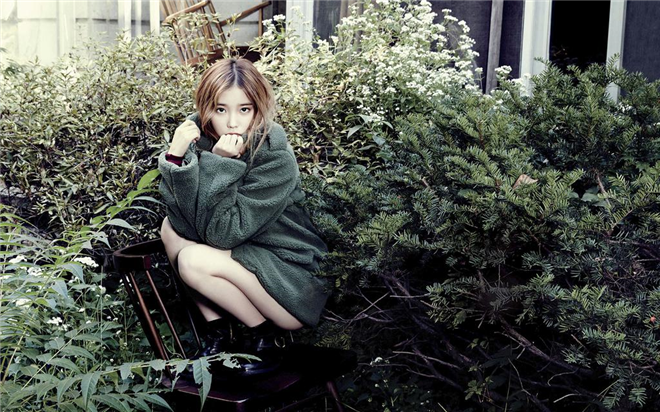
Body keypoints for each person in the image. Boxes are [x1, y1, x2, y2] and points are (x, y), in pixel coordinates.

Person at [158, 58, 329, 375]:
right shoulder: (200, 137)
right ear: (206, 108)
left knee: (193, 260)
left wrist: (220, 164)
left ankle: (267, 340)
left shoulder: (274, 154)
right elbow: (183, 223)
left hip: (288, 279)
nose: (233, 122)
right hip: (247, 260)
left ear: (258, 108)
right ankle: (220, 337)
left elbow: (222, 235)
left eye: (244, 109)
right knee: (170, 230)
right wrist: (175, 157)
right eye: (220, 109)